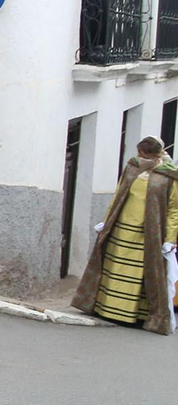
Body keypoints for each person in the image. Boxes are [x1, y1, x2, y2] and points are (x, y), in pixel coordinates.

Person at [72, 136, 178, 334]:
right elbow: (119, 194)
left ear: (155, 154)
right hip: (121, 226)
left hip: (149, 233)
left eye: (144, 154)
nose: (140, 157)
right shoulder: (133, 167)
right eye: (139, 154)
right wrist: (107, 220)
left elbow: (174, 209)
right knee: (114, 268)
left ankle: (134, 316)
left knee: (140, 273)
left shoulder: (169, 175)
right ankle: (104, 308)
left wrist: (170, 238)